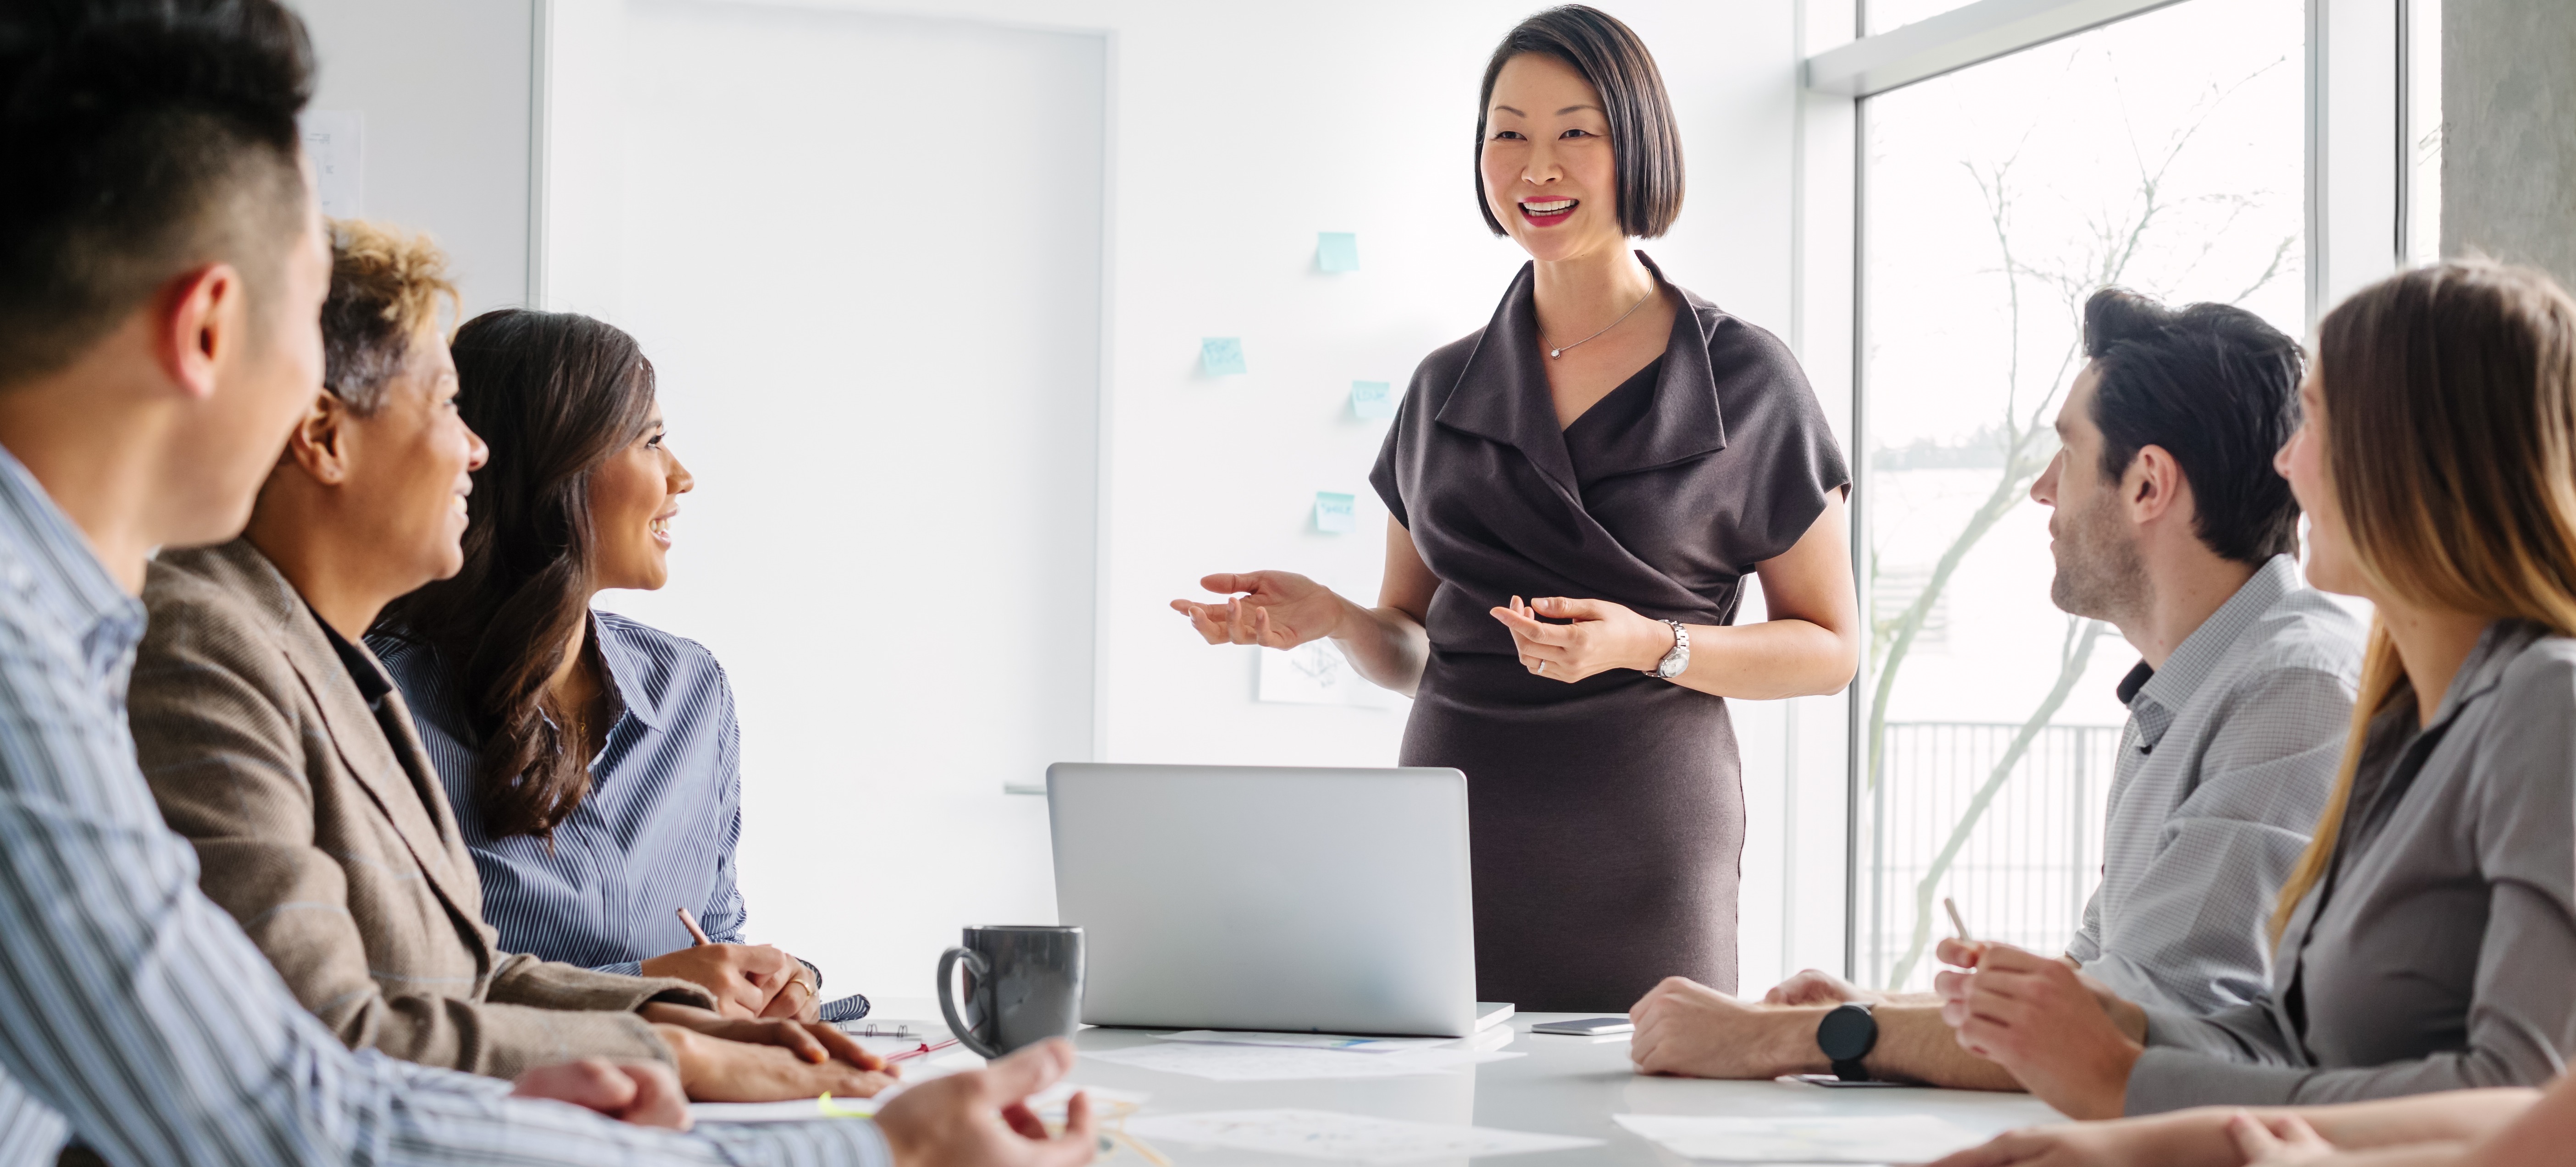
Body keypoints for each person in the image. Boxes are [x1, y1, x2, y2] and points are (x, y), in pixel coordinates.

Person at [0, 2, 1091, 1164]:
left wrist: (668, 1035)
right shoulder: (81, 653)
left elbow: (428, 995)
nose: (471, 448)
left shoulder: (113, 633)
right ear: (214, 331)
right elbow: (282, 1105)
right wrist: (874, 1150)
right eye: (304, 335)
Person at [1170, 3, 1858, 1012]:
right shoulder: (1442, 386)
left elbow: (1831, 647)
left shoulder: (1746, 379)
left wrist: (1649, 645)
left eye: (1577, 133)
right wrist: (1337, 620)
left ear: (1640, 147)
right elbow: (1415, 650)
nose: (1538, 167)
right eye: (1509, 133)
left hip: (1644, 854)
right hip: (1446, 847)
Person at [128, 219, 894, 1101]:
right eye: (446, 406)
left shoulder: (333, 665)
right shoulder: (217, 649)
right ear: (326, 437)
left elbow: (464, 977)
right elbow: (320, 1034)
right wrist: (684, 1054)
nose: (477, 450)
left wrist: (688, 1016)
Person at [1627, 291, 2363, 1089]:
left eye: (2069, 454)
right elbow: (2093, 977)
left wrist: (1797, 1038)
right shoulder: (2192, 688)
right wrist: (1872, 1006)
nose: (2043, 489)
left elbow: (2140, 1021)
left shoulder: (2295, 688)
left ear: (2149, 484)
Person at [1935, 260, 2576, 1119]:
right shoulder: (2398, 720)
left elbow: (2521, 1098)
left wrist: (2125, 1084)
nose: (2284, 463)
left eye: (2313, 422)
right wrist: (2090, 1025)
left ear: (2411, 452)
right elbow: (2287, 1042)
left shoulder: (2546, 702)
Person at [367, 307, 854, 1023]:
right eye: (653, 441)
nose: (682, 476)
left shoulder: (694, 692)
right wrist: (651, 988)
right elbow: (393, 980)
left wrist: (778, 983)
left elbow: (716, 938)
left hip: (698, 1108)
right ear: (558, 469)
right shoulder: (379, 696)